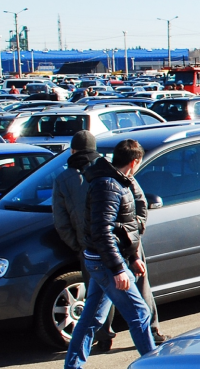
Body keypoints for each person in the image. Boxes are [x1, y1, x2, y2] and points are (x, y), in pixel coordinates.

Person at [64, 139, 155, 369]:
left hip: (104, 260)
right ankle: (155, 364)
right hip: (105, 263)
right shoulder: (109, 184)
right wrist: (117, 269)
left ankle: (72, 366)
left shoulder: (115, 181)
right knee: (140, 313)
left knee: (92, 317)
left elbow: (121, 226)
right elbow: (102, 231)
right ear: (134, 162)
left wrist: (133, 256)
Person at [53, 132, 114, 353]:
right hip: (112, 241)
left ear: (72, 151)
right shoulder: (107, 170)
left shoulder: (62, 179)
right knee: (121, 290)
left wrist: (77, 244)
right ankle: (144, 334)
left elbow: (61, 221)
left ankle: (100, 336)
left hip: (87, 246)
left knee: (95, 293)